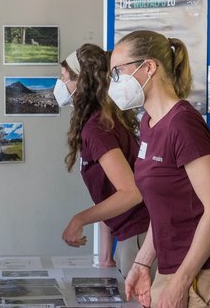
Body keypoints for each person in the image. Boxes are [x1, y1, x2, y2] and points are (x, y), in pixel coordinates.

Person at [109, 30, 210, 308]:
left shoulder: (182, 124)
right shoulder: (148, 123)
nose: (113, 83)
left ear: (148, 67)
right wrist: (142, 263)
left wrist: (181, 282)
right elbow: (162, 210)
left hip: (204, 278)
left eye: (117, 72)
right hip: (171, 271)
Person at [56, 44, 150, 276]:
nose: (60, 85)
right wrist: (106, 257)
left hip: (139, 237)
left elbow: (130, 192)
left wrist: (79, 220)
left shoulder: (97, 129)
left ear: (82, 83)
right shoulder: (104, 119)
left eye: (64, 78)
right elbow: (107, 194)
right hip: (128, 237)